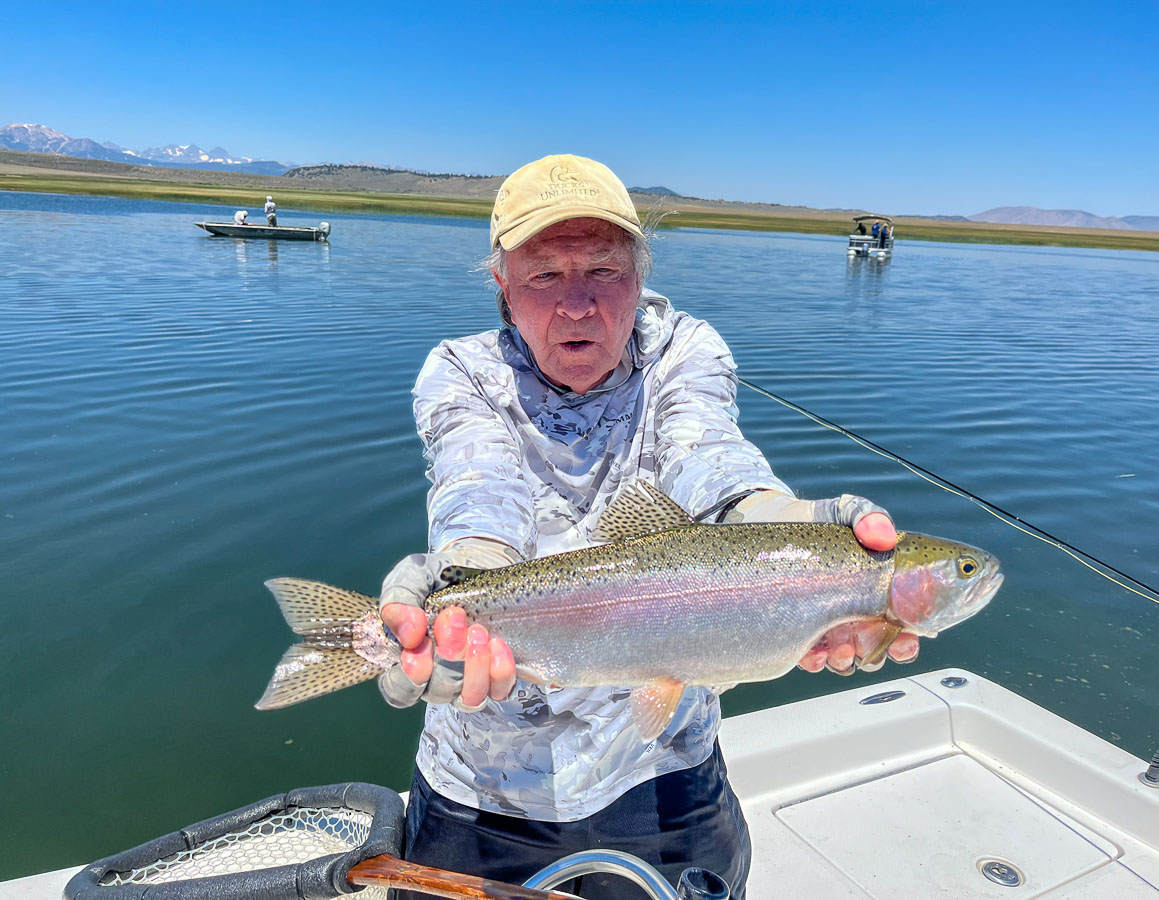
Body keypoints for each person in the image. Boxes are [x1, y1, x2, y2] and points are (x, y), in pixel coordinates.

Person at [376, 154, 919, 898]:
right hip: (484, 792)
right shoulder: (461, 371)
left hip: (666, 776)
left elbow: (717, 468)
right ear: (501, 284)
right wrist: (458, 589)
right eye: (543, 275)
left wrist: (799, 538)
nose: (577, 304)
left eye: (604, 270)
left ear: (640, 274)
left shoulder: (685, 351)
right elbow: (480, 491)